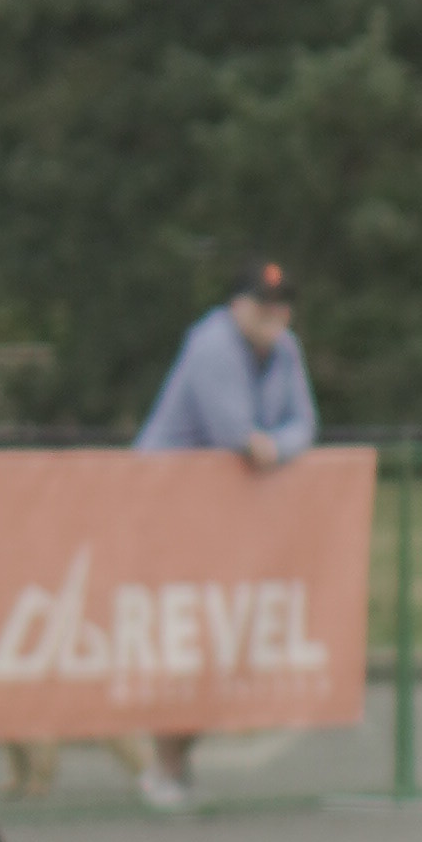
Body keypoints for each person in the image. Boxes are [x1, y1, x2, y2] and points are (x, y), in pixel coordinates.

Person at [127, 258, 316, 804]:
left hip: (221, 518)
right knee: (184, 644)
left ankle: (172, 766)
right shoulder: (212, 346)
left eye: (282, 304)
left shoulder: (285, 349)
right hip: (164, 510)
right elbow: (233, 433)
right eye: (262, 303)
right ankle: (164, 768)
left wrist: (275, 446)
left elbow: (303, 425)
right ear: (236, 305)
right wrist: (266, 446)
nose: (274, 314)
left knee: (220, 643)